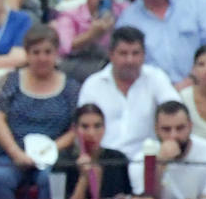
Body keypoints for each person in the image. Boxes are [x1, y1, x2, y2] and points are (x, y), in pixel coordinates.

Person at [0, 25, 81, 199]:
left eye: (48, 52)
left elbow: (76, 128)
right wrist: (16, 153)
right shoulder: (12, 81)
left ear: (56, 53)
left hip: (53, 155)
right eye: (36, 52)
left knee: (49, 178)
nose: (42, 58)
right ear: (27, 54)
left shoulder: (71, 87)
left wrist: (49, 151)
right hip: (13, 153)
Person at [77, 27, 182, 156]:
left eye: (135, 53)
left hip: (147, 159)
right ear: (111, 55)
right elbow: (82, 129)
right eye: (123, 53)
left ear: (144, 55)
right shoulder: (93, 85)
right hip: (105, 161)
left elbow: (175, 111)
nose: (130, 60)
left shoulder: (156, 78)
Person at [127, 100, 206, 199]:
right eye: (166, 129)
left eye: (180, 128)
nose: (173, 136)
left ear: (190, 126)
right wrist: (159, 165)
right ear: (156, 130)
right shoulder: (139, 162)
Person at [53, 0, 127, 82]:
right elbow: (64, 47)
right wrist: (92, 35)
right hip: (81, 65)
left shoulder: (123, 11)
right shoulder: (71, 15)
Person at [54, 103, 133, 199]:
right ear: (74, 129)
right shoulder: (64, 160)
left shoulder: (117, 158)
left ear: (104, 128)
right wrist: (84, 177)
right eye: (85, 127)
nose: (92, 133)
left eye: (97, 126)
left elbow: (128, 198)